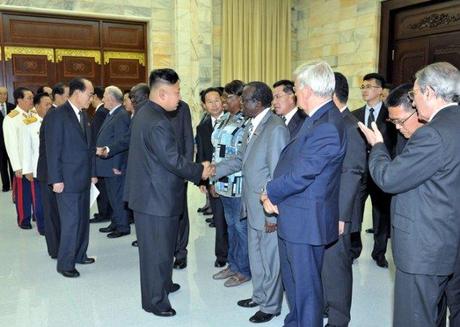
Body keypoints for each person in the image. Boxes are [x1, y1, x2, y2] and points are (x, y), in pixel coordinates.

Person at [357, 62, 460, 327]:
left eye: (414, 94)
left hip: (424, 247)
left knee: (415, 318)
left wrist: (378, 146)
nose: (413, 101)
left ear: (429, 92)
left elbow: (389, 179)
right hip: (448, 239)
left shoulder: (432, 134)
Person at [262, 61, 347, 327]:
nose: (296, 94)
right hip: (296, 215)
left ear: (308, 90)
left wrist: (270, 191)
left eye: (297, 88)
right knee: (296, 285)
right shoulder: (317, 118)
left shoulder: (328, 125)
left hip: (306, 220)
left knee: (306, 290)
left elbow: (303, 174)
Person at [124, 68, 212, 317]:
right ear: (162, 94)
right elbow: (172, 159)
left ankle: (163, 284)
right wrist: (200, 171)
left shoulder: (147, 113)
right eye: (176, 92)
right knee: (155, 252)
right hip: (154, 198)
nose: (179, 97)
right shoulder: (157, 121)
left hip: (156, 194)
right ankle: (154, 301)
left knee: (163, 248)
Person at [215, 81, 288, 323]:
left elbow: (277, 175)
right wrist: (213, 170)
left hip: (266, 208)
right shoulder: (253, 125)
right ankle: (259, 296)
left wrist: (271, 214)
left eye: (244, 99)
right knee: (256, 257)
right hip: (251, 204)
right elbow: (239, 160)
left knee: (270, 259)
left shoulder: (275, 128)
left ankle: (271, 306)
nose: (239, 103)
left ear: (256, 103)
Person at [321, 72, 367, 326]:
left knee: (337, 266)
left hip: (341, 210)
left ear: (331, 95)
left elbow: (353, 172)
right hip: (326, 207)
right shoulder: (331, 121)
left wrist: (341, 215)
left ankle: (339, 318)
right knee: (327, 265)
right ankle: (327, 306)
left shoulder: (349, 125)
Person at [45, 78, 97, 278]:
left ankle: (80, 254)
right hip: (66, 180)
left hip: (83, 178)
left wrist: (92, 173)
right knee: (71, 222)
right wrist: (55, 179)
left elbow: (89, 148)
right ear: (77, 93)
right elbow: (53, 149)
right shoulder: (58, 115)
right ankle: (65, 263)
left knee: (83, 219)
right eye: (89, 94)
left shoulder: (83, 115)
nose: (91, 98)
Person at [351, 73, 397, 268]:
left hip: (381, 172)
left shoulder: (391, 115)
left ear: (379, 90)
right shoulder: (355, 115)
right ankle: (353, 250)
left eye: (369, 86)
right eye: (362, 86)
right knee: (355, 212)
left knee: (381, 215)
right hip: (360, 172)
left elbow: (394, 145)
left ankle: (379, 253)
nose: (364, 90)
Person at [210, 80, 251, 287]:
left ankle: (244, 269)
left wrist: (215, 174)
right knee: (230, 227)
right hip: (222, 183)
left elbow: (242, 158)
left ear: (240, 99)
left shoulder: (248, 122)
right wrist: (212, 180)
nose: (224, 101)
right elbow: (216, 150)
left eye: (228, 97)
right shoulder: (224, 119)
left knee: (240, 228)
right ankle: (233, 264)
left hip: (239, 184)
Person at [196, 87, 228, 267]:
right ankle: (222, 255)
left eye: (217, 100)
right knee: (219, 218)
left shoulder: (234, 121)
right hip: (214, 178)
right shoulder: (202, 127)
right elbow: (202, 153)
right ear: (204, 105)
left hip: (232, 175)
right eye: (210, 102)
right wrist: (202, 180)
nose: (215, 104)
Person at [95, 86, 131, 238]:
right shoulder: (113, 114)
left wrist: (117, 165)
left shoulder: (121, 115)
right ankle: (116, 222)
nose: (102, 99)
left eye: (104, 96)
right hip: (107, 164)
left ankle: (123, 227)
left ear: (110, 98)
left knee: (117, 197)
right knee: (112, 196)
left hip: (114, 166)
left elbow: (121, 142)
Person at [3, 87, 37, 229]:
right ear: (19, 100)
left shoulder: (34, 114)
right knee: (23, 194)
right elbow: (11, 144)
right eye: (29, 98)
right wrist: (17, 166)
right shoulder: (12, 118)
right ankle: (24, 219)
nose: (31, 100)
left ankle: (37, 214)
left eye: (32, 97)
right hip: (22, 164)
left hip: (35, 161)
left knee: (36, 191)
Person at [167, 99, 194, 269]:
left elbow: (187, 137)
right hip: (157, 173)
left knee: (180, 213)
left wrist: (188, 169)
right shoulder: (150, 107)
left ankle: (181, 252)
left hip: (178, 169)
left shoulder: (182, 107)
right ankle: (166, 251)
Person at [21, 92, 53, 236]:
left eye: (50, 104)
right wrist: (27, 170)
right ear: (37, 106)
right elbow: (26, 148)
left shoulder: (54, 121)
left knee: (53, 200)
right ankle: (43, 227)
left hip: (53, 168)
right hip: (37, 169)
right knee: (40, 201)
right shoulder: (29, 124)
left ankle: (53, 224)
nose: (49, 107)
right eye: (46, 104)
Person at [90, 86, 112, 225]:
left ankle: (104, 213)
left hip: (100, 155)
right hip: (102, 155)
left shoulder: (100, 112)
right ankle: (104, 212)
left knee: (102, 187)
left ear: (95, 97)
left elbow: (97, 136)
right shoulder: (102, 112)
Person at [0, 86, 15, 192]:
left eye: (5, 93)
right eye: (1, 94)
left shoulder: (12, 107)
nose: (3, 96)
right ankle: (6, 185)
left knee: (13, 164)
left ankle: (15, 186)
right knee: (2, 165)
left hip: (11, 141)